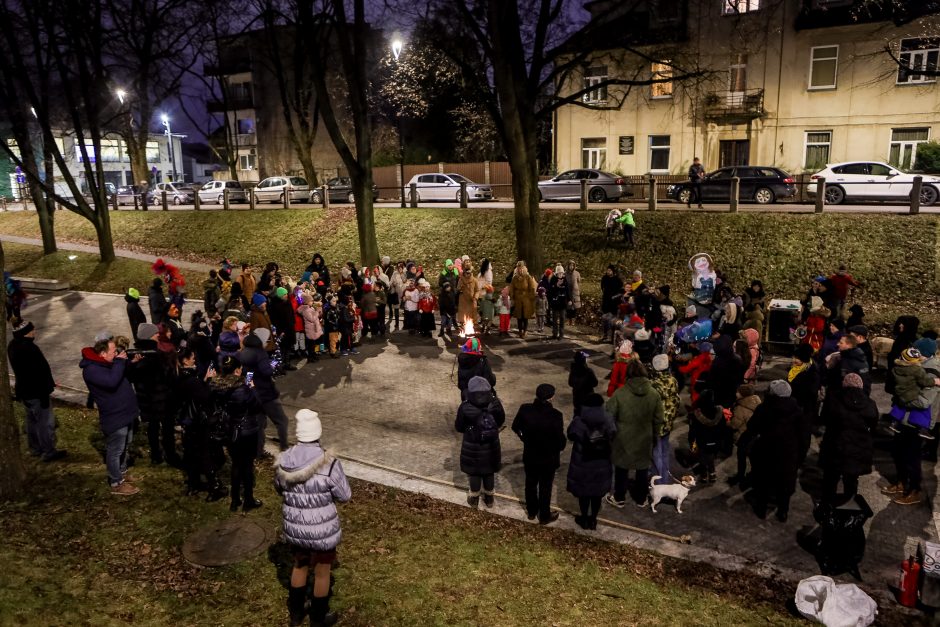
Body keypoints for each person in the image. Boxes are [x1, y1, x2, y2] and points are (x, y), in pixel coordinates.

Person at [276, 408, 352, 627]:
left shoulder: (284, 460)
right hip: (321, 531)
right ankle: (318, 619)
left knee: (299, 565)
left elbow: (279, 487)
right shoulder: (329, 464)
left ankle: (296, 615)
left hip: (295, 528)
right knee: (321, 573)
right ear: (317, 433)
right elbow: (345, 495)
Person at [80, 332, 141, 496]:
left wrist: (131, 363)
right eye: (113, 351)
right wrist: (121, 362)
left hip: (125, 413)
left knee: (125, 446)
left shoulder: (106, 363)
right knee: (115, 451)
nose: (116, 353)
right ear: (102, 353)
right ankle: (116, 482)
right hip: (115, 417)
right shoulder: (91, 370)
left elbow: (121, 374)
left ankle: (123, 472)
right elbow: (112, 381)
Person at [604, 360, 664, 507]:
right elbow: (659, 418)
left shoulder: (620, 393)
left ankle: (619, 498)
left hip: (623, 437)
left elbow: (608, 416)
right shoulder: (654, 394)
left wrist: (612, 434)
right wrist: (655, 434)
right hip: (645, 437)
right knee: (642, 469)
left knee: (621, 469)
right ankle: (641, 499)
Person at [209, 356, 263, 512]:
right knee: (247, 465)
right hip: (247, 431)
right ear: (237, 370)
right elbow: (257, 406)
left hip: (230, 430)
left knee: (236, 464)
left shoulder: (216, 386)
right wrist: (252, 388)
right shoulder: (242, 389)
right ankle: (249, 499)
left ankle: (235, 500)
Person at [744, 380, 802, 522]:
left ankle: (761, 509)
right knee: (784, 482)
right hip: (788, 452)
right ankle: (783, 511)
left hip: (766, 450)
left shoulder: (764, 408)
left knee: (763, 480)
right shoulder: (798, 411)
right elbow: (803, 435)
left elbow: (752, 427)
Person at [8, 320, 66, 462]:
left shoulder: (12, 345)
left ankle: (35, 448)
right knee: (44, 422)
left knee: (32, 420)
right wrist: (45, 392)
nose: (35, 331)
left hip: (24, 391)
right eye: (32, 329)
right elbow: (38, 372)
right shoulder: (29, 348)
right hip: (37, 392)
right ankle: (48, 451)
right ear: (27, 332)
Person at [127, 321, 181, 467]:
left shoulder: (134, 356)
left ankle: (156, 455)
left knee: (153, 427)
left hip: (146, 401)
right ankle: (170, 455)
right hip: (162, 400)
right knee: (167, 429)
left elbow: (131, 377)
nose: (158, 335)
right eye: (155, 333)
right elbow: (170, 378)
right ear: (149, 336)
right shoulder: (159, 356)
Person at [175, 347, 226, 500]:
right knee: (205, 454)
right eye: (192, 357)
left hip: (187, 421)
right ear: (185, 361)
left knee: (190, 454)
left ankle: (193, 484)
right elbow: (205, 398)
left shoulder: (180, 377)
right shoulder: (191, 380)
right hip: (198, 423)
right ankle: (214, 488)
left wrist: (203, 381)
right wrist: (209, 382)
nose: (194, 359)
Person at [512, 384, 566, 525]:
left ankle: (531, 511)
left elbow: (515, 427)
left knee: (530, 483)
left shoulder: (525, 409)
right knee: (545, 487)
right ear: (551, 397)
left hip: (530, 455)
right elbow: (561, 442)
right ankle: (544, 515)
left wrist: (524, 438)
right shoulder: (556, 416)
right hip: (549, 459)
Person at [819, 374, 877, 504]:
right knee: (851, 479)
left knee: (830, 478)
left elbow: (824, 419)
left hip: (835, 446)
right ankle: (848, 506)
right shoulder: (870, 404)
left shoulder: (833, 400)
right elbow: (873, 425)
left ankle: (827, 506)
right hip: (857, 449)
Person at [566, 393, 616, 530]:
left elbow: (570, 434)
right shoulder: (608, 419)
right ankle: (593, 519)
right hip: (601, 463)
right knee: (596, 494)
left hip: (582, 463)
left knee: (584, 494)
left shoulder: (578, 421)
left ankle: (583, 518)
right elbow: (613, 434)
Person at [455, 376, 506, 508]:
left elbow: (459, 427)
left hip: (472, 444)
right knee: (489, 470)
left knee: (475, 472)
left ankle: (474, 499)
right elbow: (501, 421)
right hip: (491, 444)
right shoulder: (495, 403)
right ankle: (489, 499)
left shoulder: (465, 406)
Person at [238, 328, 291, 455]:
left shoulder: (244, 351)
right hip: (267, 395)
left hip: (254, 395)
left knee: (260, 424)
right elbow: (267, 371)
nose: (268, 343)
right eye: (267, 340)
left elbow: (248, 374)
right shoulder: (259, 353)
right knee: (282, 421)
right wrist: (273, 364)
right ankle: (285, 450)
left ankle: (258, 452)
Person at [649, 354, 679, 484]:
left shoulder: (653, 385)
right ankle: (665, 479)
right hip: (668, 422)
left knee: (656, 453)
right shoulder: (673, 381)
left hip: (656, 424)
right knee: (665, 451)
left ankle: (659, 482)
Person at [509, 261, 537, 339]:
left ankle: (525, 330)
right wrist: (512, 297)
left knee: (525, 316)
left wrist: (532, 297)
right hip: (518, 299)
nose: (520, 270)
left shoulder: (528, 277)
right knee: (519, 316)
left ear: (524, 269)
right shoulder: (515, 278)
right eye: (519, 268)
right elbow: (511, 288)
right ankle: (520, 330)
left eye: (522, 268)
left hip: (526, 299)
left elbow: (532, 287)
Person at [568, 350, 598, 417]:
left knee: (577, 414)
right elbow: (595, 383)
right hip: (588, 397)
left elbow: (570, 383)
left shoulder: (573, 370)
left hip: (577, 398)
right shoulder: (588, 371)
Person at [548, 264, 571, 340]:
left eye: (561, 273)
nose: (560, 274)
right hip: (555, 303)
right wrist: (556, 285)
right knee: (554, 319)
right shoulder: (553, 279)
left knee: (562, 318)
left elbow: (567, 290)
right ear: (556, 273)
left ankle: (561, 334)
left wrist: (569, 300)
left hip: (563, 303)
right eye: (559, 273)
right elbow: (550, 291)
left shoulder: (565, 280)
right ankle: (554, 333)